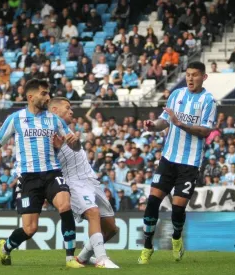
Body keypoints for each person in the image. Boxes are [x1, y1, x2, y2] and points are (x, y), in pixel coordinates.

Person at [0, 79, 84, 268]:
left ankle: (70, 258)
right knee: (30, 229)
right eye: (44, 93)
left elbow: (75, 146)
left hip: (52, 172)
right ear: (30, 97)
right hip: (28, 178)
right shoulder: (15, 118)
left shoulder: (54, 119)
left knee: (65, 204)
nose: (48, 97)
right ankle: (6, 247)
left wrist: (75, 141)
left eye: (48, 93)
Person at [138, 61, 217, 264]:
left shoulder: (208, 101)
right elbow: (164, 121)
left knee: (178, 208)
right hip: (168, 159)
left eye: (195, 75)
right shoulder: (176, 95)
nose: (190, 78)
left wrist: (181, 123)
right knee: (153, 201)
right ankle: (147, 246)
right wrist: (152, 126)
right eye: (188, 74)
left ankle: (176, 237)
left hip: (189, 163)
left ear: (204, 77)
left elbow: (205, 131)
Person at [48, 97, 119, 268]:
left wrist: (76, 141)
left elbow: (77, 148)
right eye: (68, 107)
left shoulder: (68, 130)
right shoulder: (45, 133)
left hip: (90, 179)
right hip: (73, 182)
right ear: (55, 110)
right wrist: (56, 148)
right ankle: (101, 259)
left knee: (111, 228)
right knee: (92, 212)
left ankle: (82, 258)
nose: (71, 111)